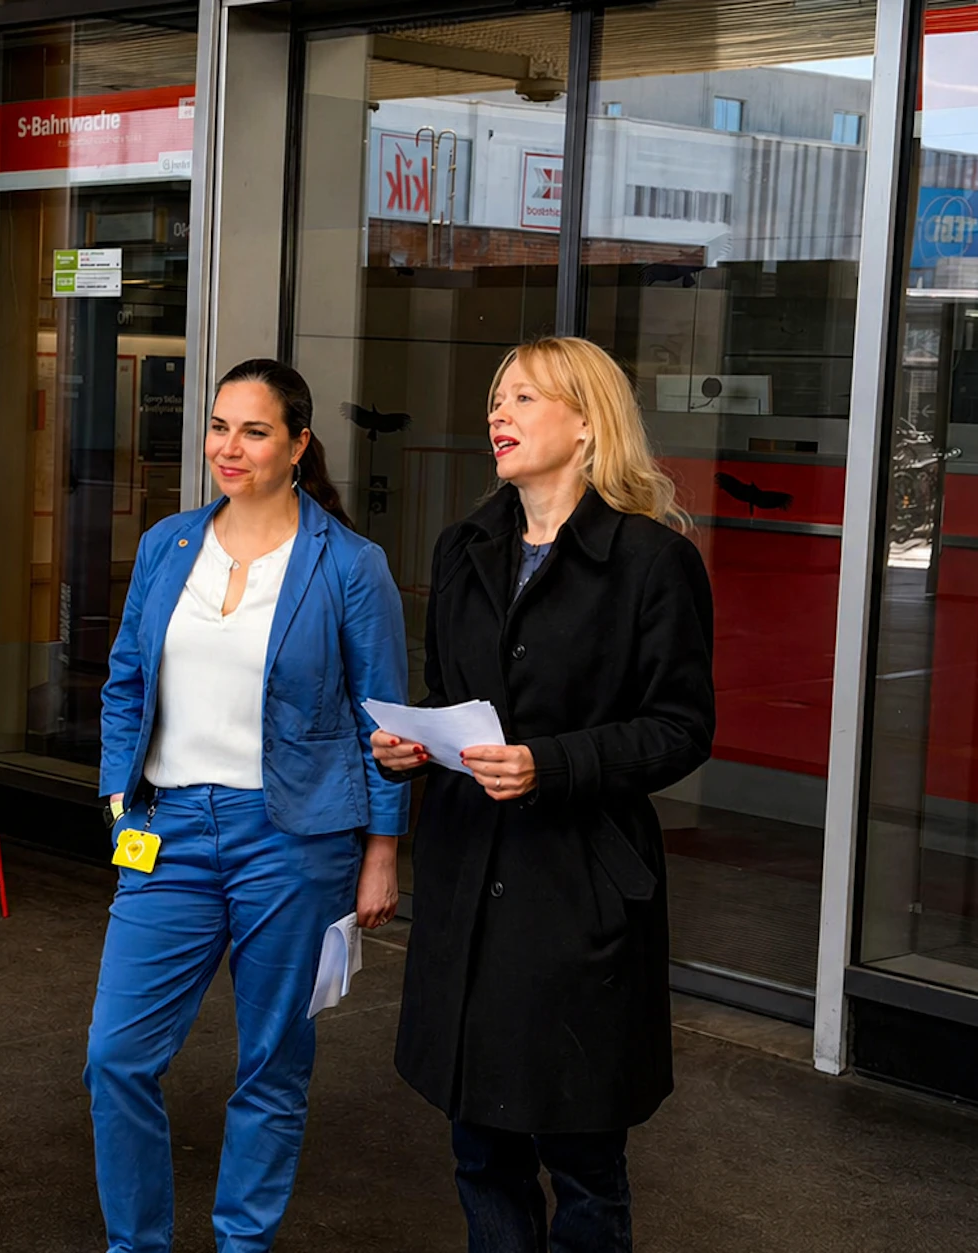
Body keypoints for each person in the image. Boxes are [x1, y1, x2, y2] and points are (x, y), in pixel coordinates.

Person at [372, 337, 714, 1253]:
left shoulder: (653, 562)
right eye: (498, 396)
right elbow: (450, 694)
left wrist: (548, 764)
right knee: (480, 1147)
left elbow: (681, 728)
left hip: (577, 890)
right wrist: (411, 749)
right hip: (469, 880)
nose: (500, 412)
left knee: (582, 1156)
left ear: (588, 423)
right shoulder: (465, 547)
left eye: (525, 397)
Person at [87, 358, 409, 1253]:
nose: (230, 447)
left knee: (272, 1063)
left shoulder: (350, 564)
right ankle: (135, 1245)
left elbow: (382, 718)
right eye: (220, 427)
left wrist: (383, 850)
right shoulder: (169, 545)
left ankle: (243, 1243)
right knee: (116, 1056)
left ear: (298, 445)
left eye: (255, 431)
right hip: (168, 829)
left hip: (294, 841)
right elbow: (126, 679)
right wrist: (118, 800)